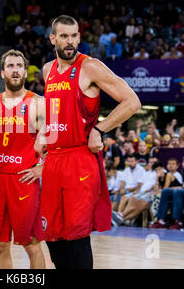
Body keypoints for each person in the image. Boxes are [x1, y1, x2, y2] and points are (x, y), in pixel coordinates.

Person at [37, 15, 140, 269]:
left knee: (76, 237)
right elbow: (54, 111)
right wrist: (43, 133)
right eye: (64, 36)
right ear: (53, 39)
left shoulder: (91, 67)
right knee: (52, 236)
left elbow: (132, 101)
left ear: (79, 38)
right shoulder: (47, 70)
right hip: (54, 160)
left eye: (74, 36)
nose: (70, 41)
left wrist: (100, 129)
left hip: (80, 159)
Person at [0, 49, 46, 269]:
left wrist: (41, 168)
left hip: (23, 181)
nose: (15, 70)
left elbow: (54, 144)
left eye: (19, 66)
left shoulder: (39, 103)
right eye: (10, 66)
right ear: (3, 73)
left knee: (31, 244)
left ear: (26, 72)